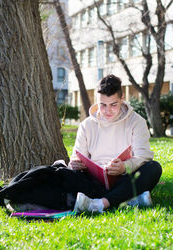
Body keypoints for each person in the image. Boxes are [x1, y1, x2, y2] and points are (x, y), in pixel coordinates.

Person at [69, 74, 162, 213]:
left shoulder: (137, 122)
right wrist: (74, 164)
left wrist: (124, 167)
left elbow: (143, 156)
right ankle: (129, 200)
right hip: (94, 181)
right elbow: (77, 156)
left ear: (122, 98)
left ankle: (100, 204)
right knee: (64, 174)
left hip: (124, 178)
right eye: (102, 105)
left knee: (153, 168)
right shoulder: (86, 125)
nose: (107, 111)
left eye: (113, 105)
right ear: (97, 100)